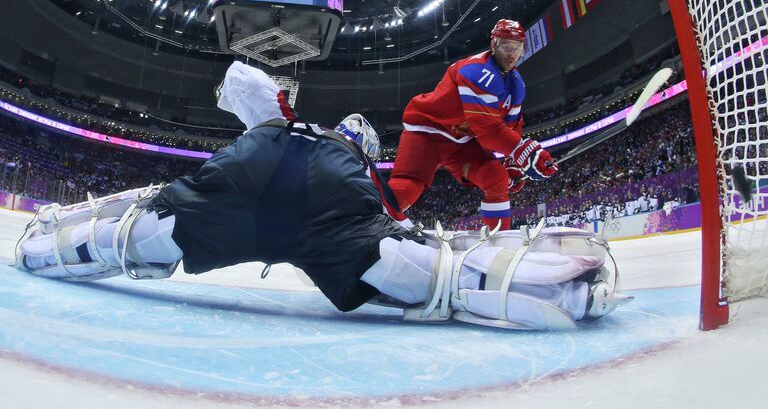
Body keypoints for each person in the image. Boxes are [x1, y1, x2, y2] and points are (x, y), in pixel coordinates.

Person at [13, 61, 631, 330]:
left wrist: (244, 103)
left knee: (146, 233)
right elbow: (397, 219)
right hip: (333, 211)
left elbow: (245, 83)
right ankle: (561, 286)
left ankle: (42, 247)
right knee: (422, 267)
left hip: (254, 171)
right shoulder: (359, 165)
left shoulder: (293, 127)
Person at [389, 19, 558, 231]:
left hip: (462, 143)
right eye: (506, 46)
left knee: (497, 177)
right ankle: (366, 223)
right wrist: (526, 153)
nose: (511, 53)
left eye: (517, 48)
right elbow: (487, 130)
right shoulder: (476, 71)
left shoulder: (516, 85)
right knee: (407, 187)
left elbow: (512, 127)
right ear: (494, 44)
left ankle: (498, 244)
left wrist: (513, 163)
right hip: (429, 134)